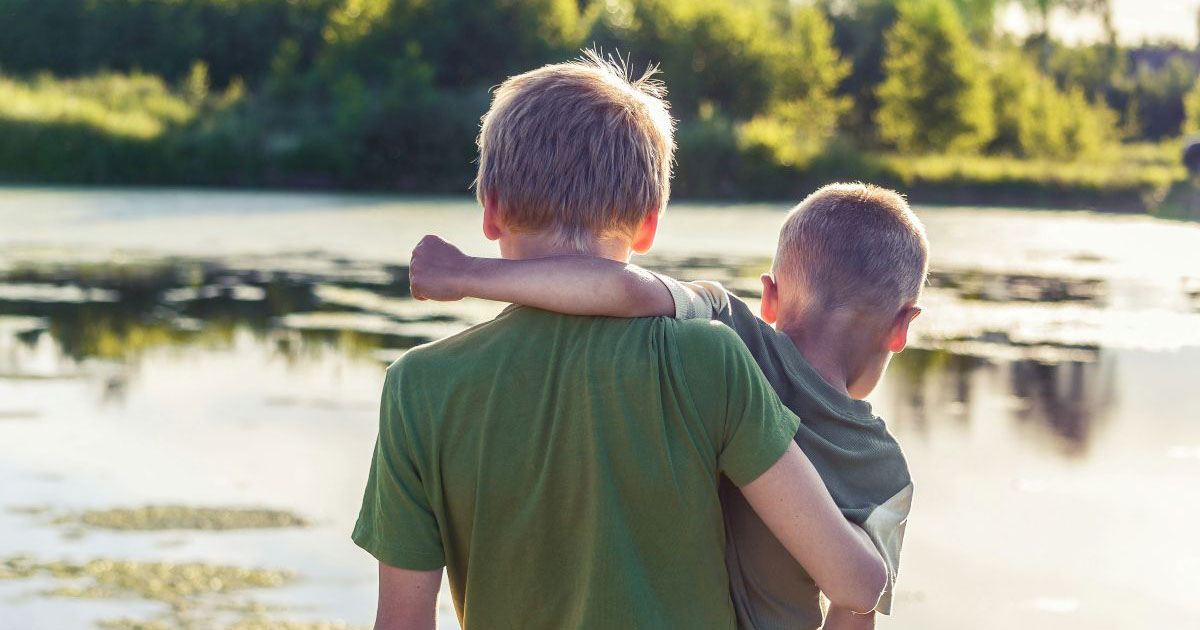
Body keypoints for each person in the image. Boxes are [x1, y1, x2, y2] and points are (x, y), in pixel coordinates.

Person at [352, 53, 886, 630]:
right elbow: (855, 585)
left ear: (492, 210)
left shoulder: (419, 387)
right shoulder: (709, 359)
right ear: (651, 222)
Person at [408, 182, 926, 629]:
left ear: (769, 295)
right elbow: (854, 612)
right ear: (902, 327)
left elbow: (621, 288)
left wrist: (467, 275)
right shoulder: (885, 473)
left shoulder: (732, 329)